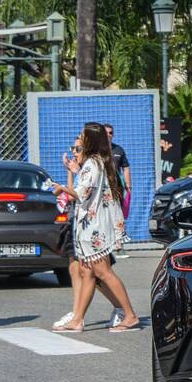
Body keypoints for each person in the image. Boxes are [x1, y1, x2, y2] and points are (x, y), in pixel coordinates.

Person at [49, 123, 140, 333]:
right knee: (87, 272)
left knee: (103, 272)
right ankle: (78, 319)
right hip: (95, 224)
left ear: (90, 140)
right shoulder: (100, 161)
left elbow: (81, 193)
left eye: (83, 137)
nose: (80, 140)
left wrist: (60, 188)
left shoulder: (92, 163)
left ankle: (129, 315)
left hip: (94, 228)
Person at [104, 123, 132, 219]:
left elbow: (126, 167)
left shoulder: (119, 149)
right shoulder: (96, 150)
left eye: (110, 133)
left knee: (117, 215)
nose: (108, 135)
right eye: (106, 133)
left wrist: (128, 186)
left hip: (116, 188)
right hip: (101, 188)